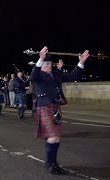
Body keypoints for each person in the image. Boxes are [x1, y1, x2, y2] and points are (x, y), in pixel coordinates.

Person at [30, 46, 89, 175]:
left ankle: (52, 163)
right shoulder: (38, 75)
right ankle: (51, 164)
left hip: (55, 107)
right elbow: (33, 76)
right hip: (45, 106)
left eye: (50, 63)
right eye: (46, 63)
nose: (49, 65)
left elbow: (72, 75)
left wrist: (81, 63)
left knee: (56, 138)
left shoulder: (56, 74)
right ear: (41, 64)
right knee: (53, 136)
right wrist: (40, 59)